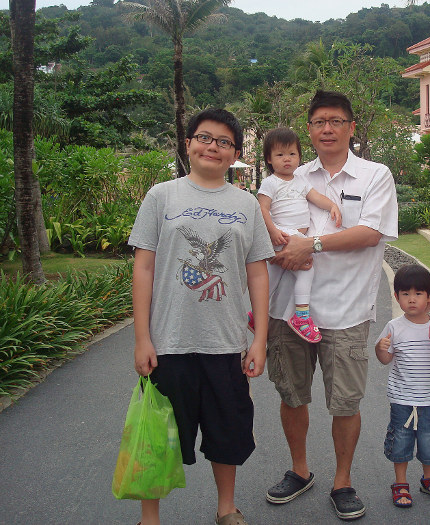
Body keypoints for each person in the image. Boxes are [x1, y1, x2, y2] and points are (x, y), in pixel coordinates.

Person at [128, 108, 275, 525]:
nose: (213, 146)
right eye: (205, 137)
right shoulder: (162, 196)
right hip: (168, 341)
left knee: (227, 431)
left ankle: (226, 508)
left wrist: (259, 340)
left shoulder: (245, 204)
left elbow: (258, 273)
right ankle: (150, 517)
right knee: (157, 434)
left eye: (224, 142)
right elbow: (143, 266)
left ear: (234, 154)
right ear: (189, 143)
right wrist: (142, 337)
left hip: (225, 342)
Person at [264, 90, 398, 521]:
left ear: (351, 127)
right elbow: (264, 226)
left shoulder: (374, 175)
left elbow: (370, 233)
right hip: (289, 310)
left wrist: (311, 245)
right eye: (320, 121)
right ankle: (300, 470)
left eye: (336, 121)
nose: (327, 128)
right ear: (308, 128)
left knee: (345, 402)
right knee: (291, 395)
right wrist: (280, 247)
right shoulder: (291, 175)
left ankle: (343, 480)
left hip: (346, 312)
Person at [251, 127, 342, 343]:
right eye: (280, 155)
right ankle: (301, 316)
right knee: (306, 270)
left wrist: (331, 206)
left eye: (292, 154)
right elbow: (262, 208)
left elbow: (316, 197)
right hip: (284, 235)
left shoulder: (300, 181)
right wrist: (273, 231)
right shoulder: (270, 182)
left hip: (291, 237)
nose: (287, 160)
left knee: (271, 279)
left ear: (299, 157)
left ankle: (256, 315)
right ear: (269, 159)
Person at [374, 264, 430, 509]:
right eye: (405, 294)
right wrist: (380, 349)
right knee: (401, 440)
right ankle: (400, 482)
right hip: (402, 399)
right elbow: (385, 359)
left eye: (418, 293)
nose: (412, 299)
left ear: (429, 296)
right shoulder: (394, 327)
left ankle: (429, 479)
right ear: (396, 297)